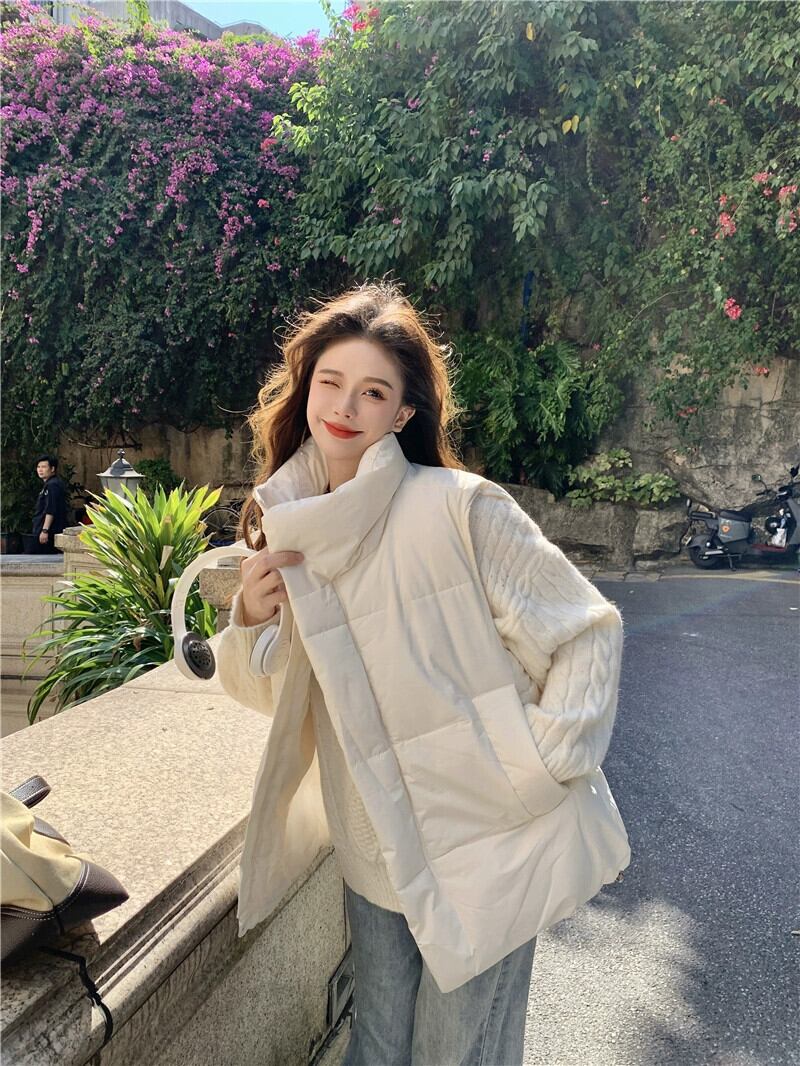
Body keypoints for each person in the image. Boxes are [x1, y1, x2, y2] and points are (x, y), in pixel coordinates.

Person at [214, 281, 629, 1065]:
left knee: (456, 1052)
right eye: (331, 382)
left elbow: (586, 630)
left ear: (404, 412)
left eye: (374, 391)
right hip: (373, 848)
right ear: (306, 389)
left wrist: (540, 769)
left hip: (485, 841)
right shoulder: (292, 530)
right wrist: (252, 619)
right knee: (377, 1044)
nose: (346, 406)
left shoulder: (462, 507)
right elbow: (281, 698)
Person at [32, 454, 68, 554]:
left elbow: (50, 509)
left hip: (50, 533)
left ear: (52, 469)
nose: (40, 470)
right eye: (38, 467)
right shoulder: (49, 484)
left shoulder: (53, 485)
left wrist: (45, 531)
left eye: (44, 467)